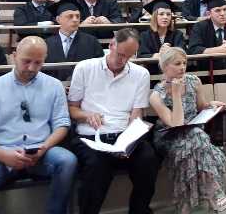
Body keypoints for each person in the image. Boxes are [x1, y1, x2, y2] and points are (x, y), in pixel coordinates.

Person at [68, 28, 160, 214]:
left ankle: (140, 210)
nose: (123, 60)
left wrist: (129, 141)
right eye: (120, 54)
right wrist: (87, 115)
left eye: (129, 56)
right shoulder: (85, 68)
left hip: (123, 135)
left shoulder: (140, 74)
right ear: (111, 45)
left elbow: (136, 114)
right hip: (91, 136)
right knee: (96, 167)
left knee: (148, 159)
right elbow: (72, 109)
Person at [0, 37, 78, 214]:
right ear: (14, 55)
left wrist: (44, 148)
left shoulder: (54, 86)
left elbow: (62, 124)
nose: (31, 68)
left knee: (67, 161)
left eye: (38, 63)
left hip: (41, 150)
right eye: (26, 61)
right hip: (2, 152)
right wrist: (5, 156)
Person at [149, 48, 226, 213]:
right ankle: (214, 194)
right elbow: (176, 124)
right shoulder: (156, 95)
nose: (182, 67)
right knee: (198, 139)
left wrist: (211, 105)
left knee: (193, 145)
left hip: (193, 134)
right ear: (165, 67)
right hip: (169, 136)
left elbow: (201, 106)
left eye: (184, 63)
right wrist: (176, 94)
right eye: (177, 64)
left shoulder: (194, 81)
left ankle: (185, 207)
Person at [44, 0, 103, 78]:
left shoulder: (91, 42)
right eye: (70, 16)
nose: (75, 20)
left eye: (77, 16)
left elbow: (98, 69)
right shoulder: (47, 44)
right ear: (58, 19)